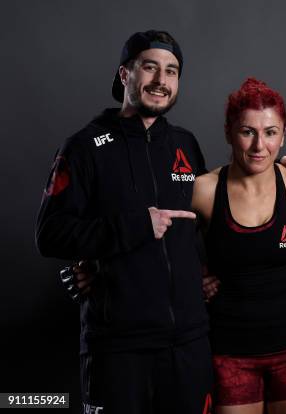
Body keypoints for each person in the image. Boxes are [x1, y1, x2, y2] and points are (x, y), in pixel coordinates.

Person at [36, 30, 214, 414]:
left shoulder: (185, 144)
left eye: (171, 71)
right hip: (118, 347)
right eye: (149, 67)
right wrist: (134, 226)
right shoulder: (84, 146)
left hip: (187, 343)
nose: (161, 81)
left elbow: (206, 222)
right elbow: (50, 234)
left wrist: (208, 271)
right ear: (124, 75)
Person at [191, 78, 286, 414]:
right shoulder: (203, 191)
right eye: (247, 131)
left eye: (270, 132)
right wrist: (193, 278)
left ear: (283, 135)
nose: (258, 146)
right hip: (230, 348)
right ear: (229, 132)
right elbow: (157, 250)